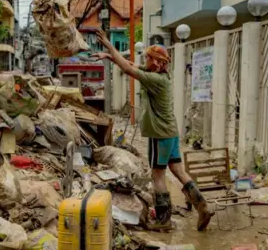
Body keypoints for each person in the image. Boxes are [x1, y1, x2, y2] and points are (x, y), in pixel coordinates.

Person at [91, 30, 214, 231]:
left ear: (156, 62)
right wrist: (111, 58)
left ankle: (163, 220)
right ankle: (203, 207)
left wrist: (108, 46)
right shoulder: (161, 75)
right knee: (178, 170)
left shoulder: (154, 80)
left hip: (159, 134)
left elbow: (129, 70)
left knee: (158, 175)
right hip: (171, 132)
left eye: (147, 57)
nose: (144, 60)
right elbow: (132, 66)